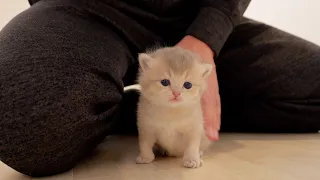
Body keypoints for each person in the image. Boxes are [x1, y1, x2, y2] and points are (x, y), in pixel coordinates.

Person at [0, 0, 319, 177]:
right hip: (85, 10)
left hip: (196, 15)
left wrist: (208, 35)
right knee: (21, 115)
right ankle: (123, 105)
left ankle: (181, 112)